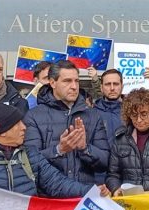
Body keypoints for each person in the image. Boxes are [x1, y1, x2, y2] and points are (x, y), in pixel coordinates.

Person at [0, 102, 96, 197]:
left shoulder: (30, 155)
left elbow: (58, 184)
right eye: (17, 123)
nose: (24, 127)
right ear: (3, 130)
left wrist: (93, 191)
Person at [23, 60, 109, 192]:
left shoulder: (93, 115)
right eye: (67, 81)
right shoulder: (33, 116)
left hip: (83, 198)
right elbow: (28, 163)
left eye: (77, 81)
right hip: (49, 200)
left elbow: (105, 162)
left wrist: (85, 149)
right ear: (52, 83)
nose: (74, 86)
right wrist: (59, 150)